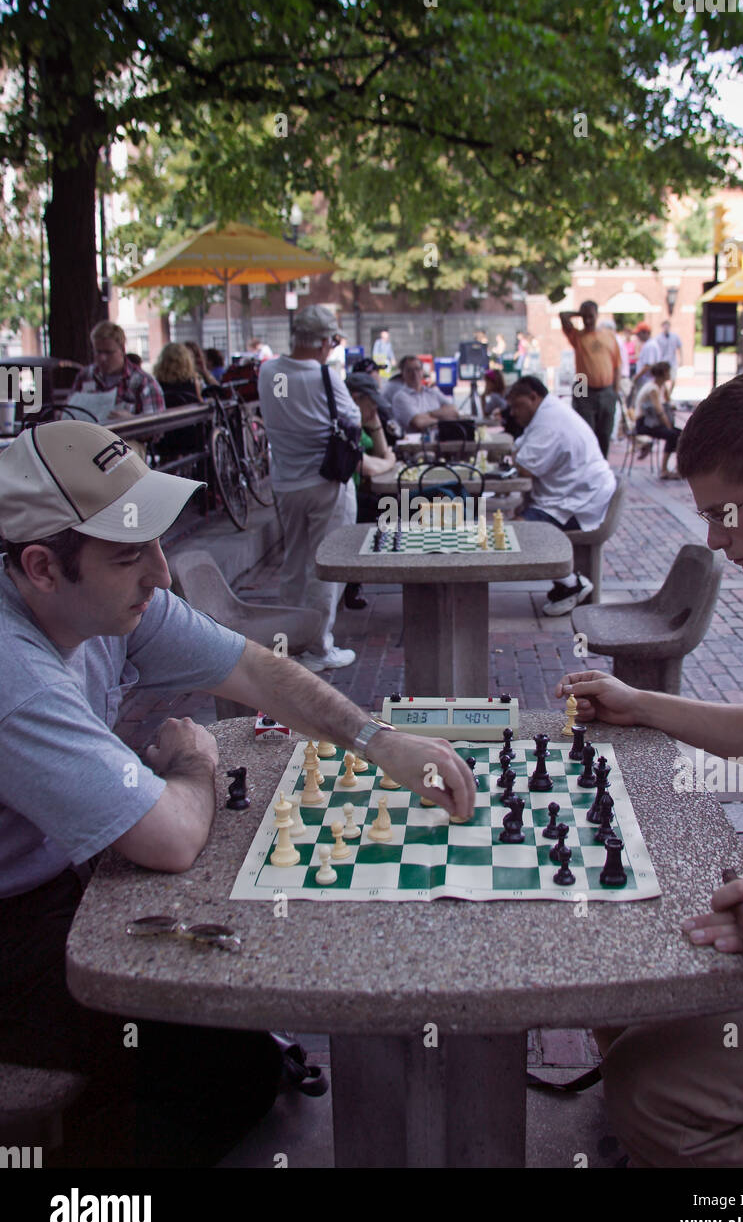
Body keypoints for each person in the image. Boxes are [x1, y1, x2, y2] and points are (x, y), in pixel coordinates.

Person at [0, 419, 475, 1168]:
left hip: (58, 881)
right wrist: (193, 763)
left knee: (226, 1032)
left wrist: (379, 741)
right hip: (12, 923)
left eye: (160, 542)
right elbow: (168, 838)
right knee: (223, 1075)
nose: (160, 573)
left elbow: (254, 670)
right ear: (42, 567)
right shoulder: (13, 674)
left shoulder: (105, 603)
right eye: (130, 556)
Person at [557, 369, 743, 1168]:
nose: (715, 541)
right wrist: (641, 705)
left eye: (723, 515)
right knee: (609, 955)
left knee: (655, 1090)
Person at [258, 305, 361, 671]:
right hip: (325, 482)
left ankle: (290, 642)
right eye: (332, 340)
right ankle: (319, 647)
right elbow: (353, 418)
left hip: (286, 483)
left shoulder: (268, 370)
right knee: (324, 567)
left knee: (293, 563)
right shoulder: (324, 375)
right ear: (322, 342)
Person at [507, 375, 616, 615]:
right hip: (572, 495)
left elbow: (524, 465)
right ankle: (565, 583)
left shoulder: (549, 421)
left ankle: (572, 584)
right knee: (519, 520)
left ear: (533, 398)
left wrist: (515, 458)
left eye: (517, 405)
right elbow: (518, 449)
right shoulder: (547, 412)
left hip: (580, 501)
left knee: (517, 533)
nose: (513, 413)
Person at [342, 374, 398, 609]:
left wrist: (374, 422)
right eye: (371, 402)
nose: (375, 407)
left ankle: (355, 581)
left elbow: (381, 452)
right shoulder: (345, 421)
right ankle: (354, 580)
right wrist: (389, 462)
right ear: (355, 398)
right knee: (395, 506)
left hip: (355, 492)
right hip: (344, 496)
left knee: (395, 504)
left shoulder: (360, 423)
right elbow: (368, 466)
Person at [559, 301, 621, 459]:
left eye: (591, 316)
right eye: (584, 316)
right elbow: (563, 315)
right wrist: (580, 313)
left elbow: (617, 365)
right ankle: (587, 465)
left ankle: (602, 464)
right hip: (583, 387)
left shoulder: (609, 336)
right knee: (585, 431)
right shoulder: (578, 336)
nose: (587, 320)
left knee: (605, 432)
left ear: (597, 316)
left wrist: (615, 391)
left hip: (606, 390)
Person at [71, 321, 165, 419]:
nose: (103, 358)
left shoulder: (144, 382)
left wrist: (131, 420)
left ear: (123, 350)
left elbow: (156, 427)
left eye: (108, 352)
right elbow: (69, 411)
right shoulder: (85, 376)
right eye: (98, 352)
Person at [152, 342, 206, 462]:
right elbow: (199, 402)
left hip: (165, 433)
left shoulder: (157, 382)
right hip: (188, 433)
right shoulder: (192, 381)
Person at [633, 361, 681, 479]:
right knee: (673, 435)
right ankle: (664, 469)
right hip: (644, 423)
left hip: (652, 422)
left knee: (680, 434)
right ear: (664, 373)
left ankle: (676, 467)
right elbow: (659, 411)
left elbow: (668, 401)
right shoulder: (652, 388)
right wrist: (668, 424)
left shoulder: (661, 386)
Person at [391, 356, 460, 434]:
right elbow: (419, 423)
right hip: (415, 444)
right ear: (402, 373)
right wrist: (444, 419)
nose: (414, 373)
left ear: (422, 371)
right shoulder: (400, 397)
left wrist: (428, 415)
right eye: (409, 370)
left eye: (417, 369)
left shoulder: (433, 392)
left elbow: (454, 411)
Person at [654, 320, 683, 385]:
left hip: (672, 362)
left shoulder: (675, 336)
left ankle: (669, 393)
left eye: (667, 326)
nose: (666, 328)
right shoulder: (658, 338)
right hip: (662, 361)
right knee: (663, 378)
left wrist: (681, 359)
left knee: (673, 378)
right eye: (665, 326)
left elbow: (679, 347)